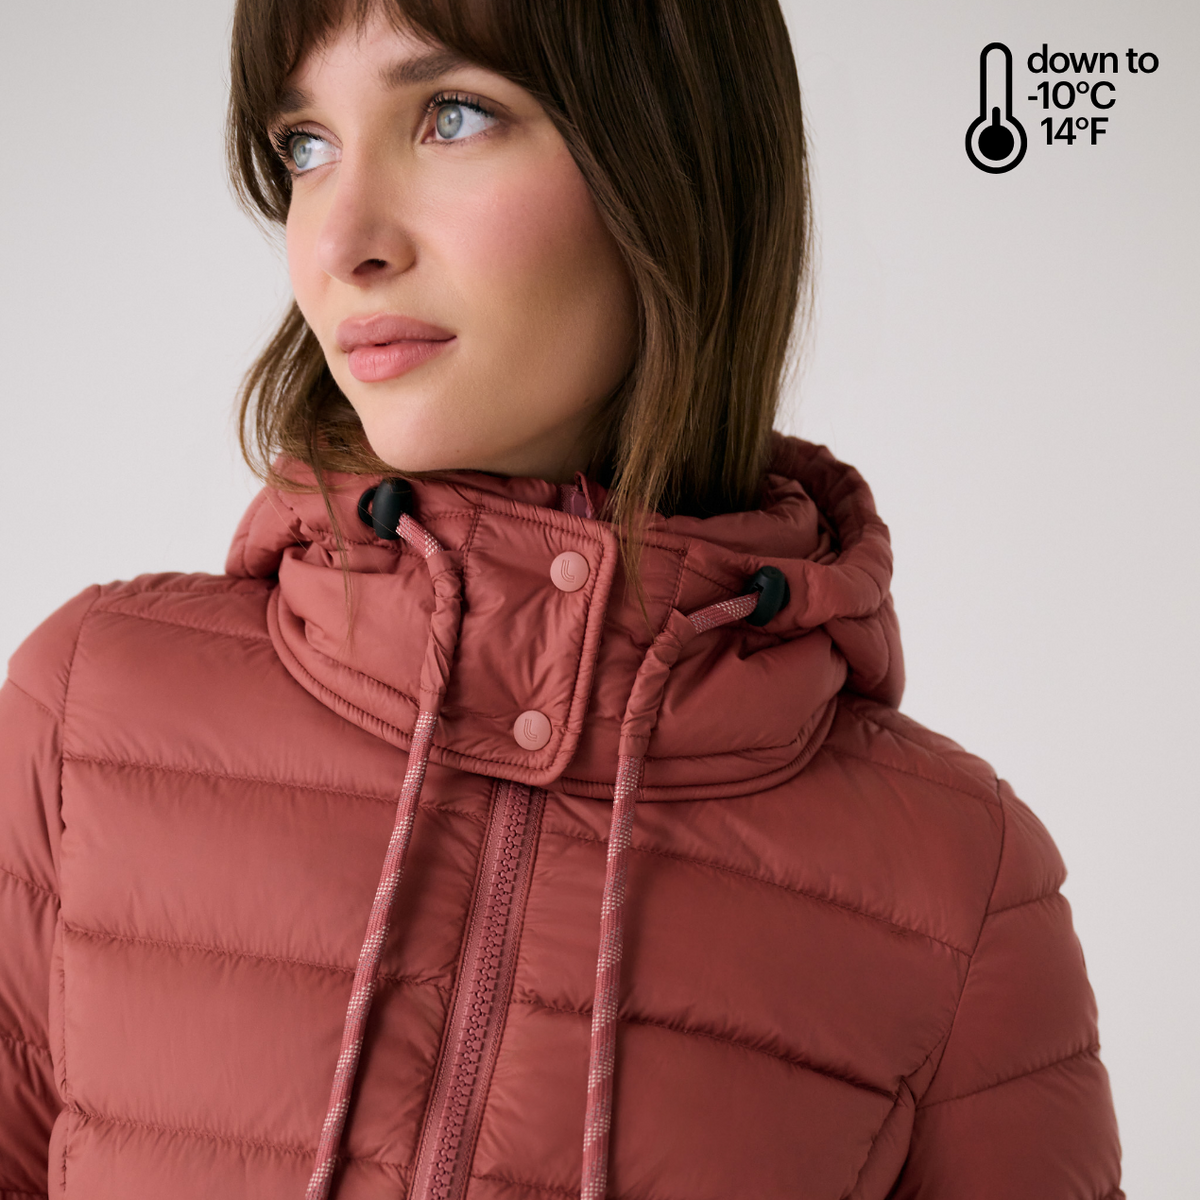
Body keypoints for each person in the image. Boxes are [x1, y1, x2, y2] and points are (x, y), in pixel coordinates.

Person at [0, 1, 1124, 1197]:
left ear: (671, 163)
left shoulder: (957, 885)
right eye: (306, 145)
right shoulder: (87, 721)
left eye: (454, 115)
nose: (342, 241)